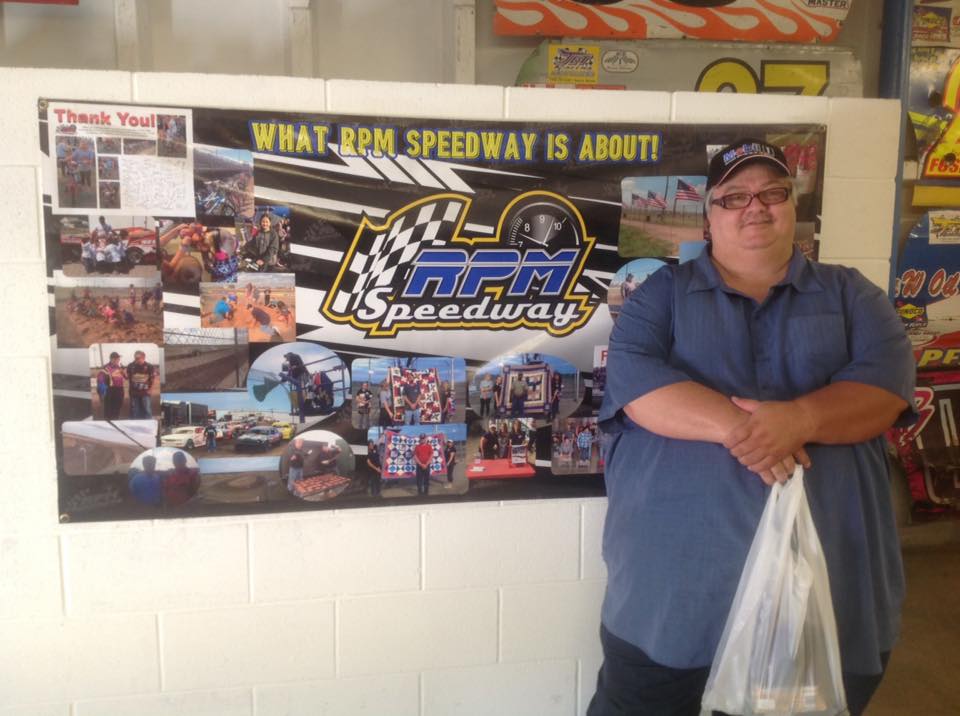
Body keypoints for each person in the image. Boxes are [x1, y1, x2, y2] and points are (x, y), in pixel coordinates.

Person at [588, 139, 917, 716]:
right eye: (734, 197)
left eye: (772, 193)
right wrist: (753, 431)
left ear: (793, 206)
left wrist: (801, 418)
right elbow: (639, 389)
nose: (754, 207)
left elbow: (884, 393)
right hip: (673, 602)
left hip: (821, 599)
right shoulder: (658, 297)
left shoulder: (854, 297)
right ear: (710, 216)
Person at [126, 350, 155, 419]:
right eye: (135, 358)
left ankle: (149, 424)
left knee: (147, 409)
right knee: (135, 410)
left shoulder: (149, 366)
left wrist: (150, 389)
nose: (136, 360)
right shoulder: (131, 366)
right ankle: (137, 425)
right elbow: (128, 377)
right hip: (134, 392)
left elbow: (152, 379)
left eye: (138, 358)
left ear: (143, 357)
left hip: (145, 392)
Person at [97, 351, 126, 420]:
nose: (118, 360)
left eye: (118, 358)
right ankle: (108, 423)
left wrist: (124, 372)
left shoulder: (119, 367)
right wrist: (102, 390)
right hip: (110, 390)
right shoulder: (106, 367)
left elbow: (126, 377)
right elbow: (100, 378)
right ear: (111, 359)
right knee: (108, 409)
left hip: (119, 389)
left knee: (117, 407)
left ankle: (115, 421)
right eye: (116, 358)